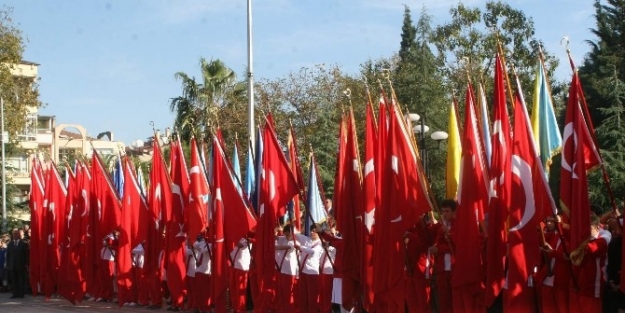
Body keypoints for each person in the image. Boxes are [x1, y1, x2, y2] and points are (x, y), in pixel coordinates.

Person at [568, 212, 610, 312]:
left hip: (594, 285)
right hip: (580, 283)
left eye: (588, 228)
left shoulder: (604, 238)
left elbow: (592, 249)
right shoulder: (585, 239)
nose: (585, 231)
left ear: (597, 227)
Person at [428, 200, 456, 313]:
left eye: (447, 211)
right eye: (443, 211)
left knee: (455, 302)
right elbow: (430, 236)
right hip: (442, 269)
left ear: (454, 212)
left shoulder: (459, 225)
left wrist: (439, 249)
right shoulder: (441, 226)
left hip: (454, 269)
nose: (444, 214)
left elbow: (460, 246)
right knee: (444, 302)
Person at [295, 224, 324, 313]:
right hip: (303, 272)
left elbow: (312, 252)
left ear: (318, 232)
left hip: (312, 274)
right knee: (303, 297)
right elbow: (295, 234)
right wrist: (292, 224)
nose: (312, 232)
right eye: (311, 230)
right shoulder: (306, 239)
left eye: (314, 231)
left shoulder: (320, 244)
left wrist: (300, 247)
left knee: (312, 298)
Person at [275, 224, 299, 313]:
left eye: (287, 234)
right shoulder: (284, 239)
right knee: (281, 294)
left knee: (289, 294)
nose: (286, 236)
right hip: (281, 270)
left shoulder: (295, 242)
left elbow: (282, 247)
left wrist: (271, 247)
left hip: (290, 271)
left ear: (292, 233)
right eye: (285, 234)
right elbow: (275, 238)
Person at [230, 235, 251, 313]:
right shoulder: (233, 240)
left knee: (240, 291)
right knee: (233, 290)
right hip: (233, 267)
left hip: (242, 268)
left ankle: (241, 309)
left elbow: (240, 245)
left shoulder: (245, 241)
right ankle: (235, 308)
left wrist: (230, 239)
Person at [6, 228, 29, 298]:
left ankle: (21, 294)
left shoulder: (23, 244)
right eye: (14, 234)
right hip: (12, 265)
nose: (15, 235)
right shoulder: (10, 244)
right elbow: (8, 255)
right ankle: (15, 294)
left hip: (20, 265)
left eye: (16, 234)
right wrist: (8, 264)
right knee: (14, 280)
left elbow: (26, 255)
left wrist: (26, 264)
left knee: (21, 280)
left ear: (19, 235)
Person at [194, 232, 212, 313]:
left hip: (205, 270)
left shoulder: (210, 245)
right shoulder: (202, 243)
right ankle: (200, 307)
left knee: (205, 292)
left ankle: (206, 309)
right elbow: (194, 244)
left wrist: (207, 242)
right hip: (198, 269)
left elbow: (205, 251)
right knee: (198, 291)